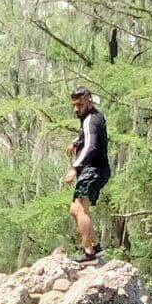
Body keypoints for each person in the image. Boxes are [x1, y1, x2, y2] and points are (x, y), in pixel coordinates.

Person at [65, 86, 111, 263]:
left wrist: (75, 168)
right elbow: (89, 136)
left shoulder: (91, 119)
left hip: (93, 170)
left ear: (88, 101)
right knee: (75, 209)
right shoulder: (92, 117)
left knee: (79, 209)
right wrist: (76, 142)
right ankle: (95, 245)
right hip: (96, 170)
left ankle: (89, 252)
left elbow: (92, 146)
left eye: (80, 105)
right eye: (74, 105)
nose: (76, 109)